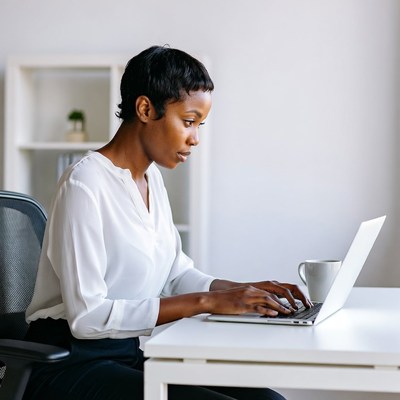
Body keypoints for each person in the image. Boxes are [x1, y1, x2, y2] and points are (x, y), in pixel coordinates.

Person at [23, 45, 312, 400]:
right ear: (145, 109)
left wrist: (244, 293)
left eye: (199, 125)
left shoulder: (151, 180)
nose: (195, 138)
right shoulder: (84, 184)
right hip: (68, 364)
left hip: (125, 353)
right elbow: (88, 318)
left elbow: (175, 274)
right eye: (188, 122)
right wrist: (206, 302)